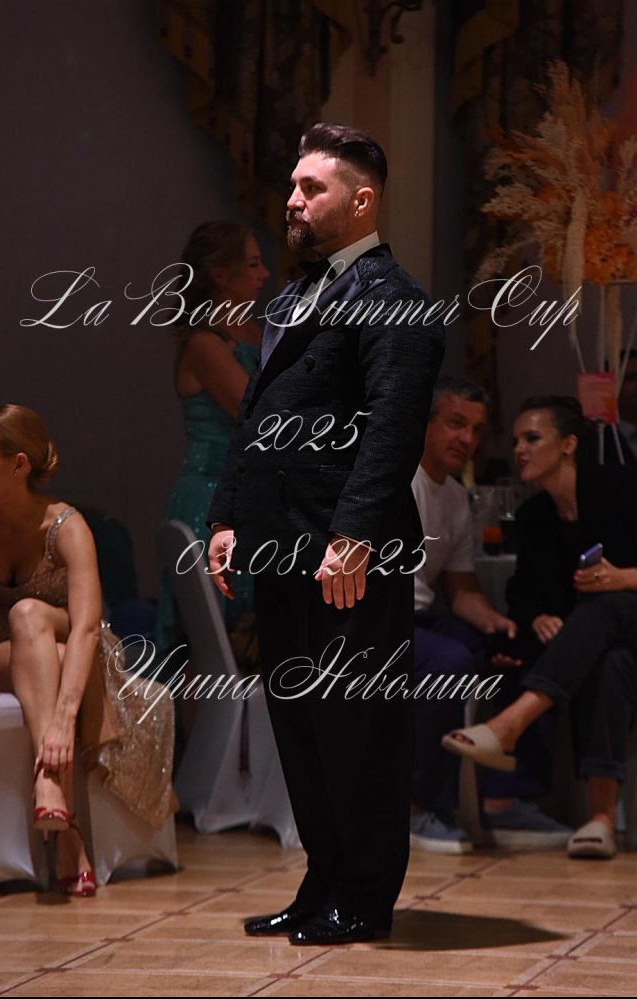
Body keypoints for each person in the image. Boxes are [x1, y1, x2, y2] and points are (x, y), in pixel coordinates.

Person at [207, 122, 445, 944]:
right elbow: (256, 415)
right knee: (301, 726)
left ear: (362, 199)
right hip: (281, 543)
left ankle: (365, 896)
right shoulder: (297, 294)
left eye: (313, 187)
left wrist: (354, 536)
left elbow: (392, 429)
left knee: (357, 728)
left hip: (346, 551)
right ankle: (324, 882)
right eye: (293, 185)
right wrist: (228, 516)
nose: (293, 199)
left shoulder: (396, 296)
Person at [0, 405, 175, 894]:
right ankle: (62, 812)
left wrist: (64, 721)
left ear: (19, 465)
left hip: (78, 652)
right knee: (27, 622)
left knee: (33, 619)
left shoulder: (67, 526)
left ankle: (60, 814)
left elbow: (86, 630)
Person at [443, 396, 637, 858]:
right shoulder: (534, 518)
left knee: (609, 603)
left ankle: (508, 726)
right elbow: (523, 594)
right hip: (602, 641)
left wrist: (624, 578)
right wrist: (537, 616)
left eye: (532, 439)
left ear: (568, 445)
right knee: (611, 661)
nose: (519, 450)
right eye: (515, 441)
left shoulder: (623, 489)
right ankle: (600, 819)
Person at [410, 378, 569, 853]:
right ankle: (421, 807)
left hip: (424, 620)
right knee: (449, 661)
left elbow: (460, 591)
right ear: (426, 424)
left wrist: (497, 626)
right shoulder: (396, 480)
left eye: (477, 430)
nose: (467, 439)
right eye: (456, 424)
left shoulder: (455, 497)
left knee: (525, 648)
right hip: (370, 623)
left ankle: (505, 799)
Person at [154, 221, 270, 658]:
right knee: (208, 646)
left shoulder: (259, 333)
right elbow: (257, 415)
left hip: (253, 496)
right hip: (209, 498)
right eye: (253, 265)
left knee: (258, 637)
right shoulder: (205, 343)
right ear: (221, 274)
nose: (265, 275)